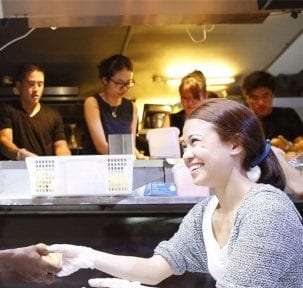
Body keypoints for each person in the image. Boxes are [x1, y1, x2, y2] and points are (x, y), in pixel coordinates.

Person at [50, 98, 303, 287]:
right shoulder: (206, 212)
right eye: (184, 145)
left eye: (195, 142)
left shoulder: (267, 211)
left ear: (235, 144)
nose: (186, 154)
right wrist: (87, 257)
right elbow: (156, 268)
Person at [0, 63, 71, 160]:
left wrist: (64, 158)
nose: (36, 89)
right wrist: (21, 154)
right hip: (16, 170)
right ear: (18, 86)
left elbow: (60, 145)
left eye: (40, 84)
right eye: (31, 84)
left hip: (45, 171)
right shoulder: (7, 109)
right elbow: (4, 140)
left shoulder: (53, 115)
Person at [83, 54, 145, 158]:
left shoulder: (132, 107)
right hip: (98, 166)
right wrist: (129, 156)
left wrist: (138, 155)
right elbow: (101, 146)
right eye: (119, 83)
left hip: (122, 167)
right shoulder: (92, 103)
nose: (124, 88)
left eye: (128, 83)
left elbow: (131, 146)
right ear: (105, 80)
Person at [242, 70, 303, 142]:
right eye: (255, 98)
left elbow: (300, 143)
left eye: (265, 96)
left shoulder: (288, 114)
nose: (261, 102)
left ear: (273, 95)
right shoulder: (242, 121)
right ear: (247, 99)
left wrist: (288, 146)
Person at [162, 70, 208, 136]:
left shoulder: (214, 120)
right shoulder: (170, 120)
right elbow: (162, 144)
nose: (189, 103)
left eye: (195, 97)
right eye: (185, 98)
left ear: (205, 96)